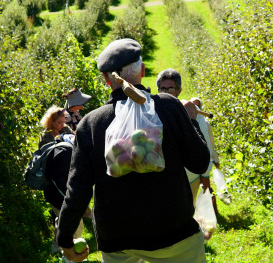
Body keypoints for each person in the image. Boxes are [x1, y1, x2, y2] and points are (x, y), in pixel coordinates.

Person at [57, 38, 210, 263]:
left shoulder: (91, 123)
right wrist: (192, 120)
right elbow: (199, 163)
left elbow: (78, 188)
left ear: (107, 80)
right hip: (173, 231)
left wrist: (65, 237)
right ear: (142, 71)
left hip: (117, 239)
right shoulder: (169, 106)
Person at [156, 69, 214, 208]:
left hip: (188, 178)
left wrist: (205, 176)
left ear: (179, 90)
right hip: (161, 177)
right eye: (162, 89)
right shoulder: (152, 114)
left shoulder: (193, 114)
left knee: (185, 213)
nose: (166, 93)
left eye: (171, 88)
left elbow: (205, 146)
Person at [190, 97, 220, 214]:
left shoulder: (205, 123)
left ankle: (214, 210)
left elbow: (211, 143)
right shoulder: (188, 121)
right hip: (193, 161)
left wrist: (215, 160)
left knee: (206, 187)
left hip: (204, 160)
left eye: (197, 105)